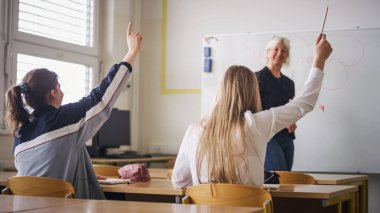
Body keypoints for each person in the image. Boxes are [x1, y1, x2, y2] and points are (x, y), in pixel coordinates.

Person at [172, 34, 332, 188]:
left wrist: (212, 188)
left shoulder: (194, 130)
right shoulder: (256, 124)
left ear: (220, 91)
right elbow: (304, 103)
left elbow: (179, 182)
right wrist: (319, 60)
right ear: (253, 92)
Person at [4, 22, 142, 199]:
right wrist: (132, 52)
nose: (62, 92)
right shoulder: (62, 120)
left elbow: (46, 172)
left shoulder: (20, 135)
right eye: (59, 88)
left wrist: (87, 173)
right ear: (53, 94)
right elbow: (101, 98)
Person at [255, 35, 296, 171]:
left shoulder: (289, 83)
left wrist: (292, 121)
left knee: (287, 179)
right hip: (268, 135)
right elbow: (255, 109)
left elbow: (290, 109)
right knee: (279, 176)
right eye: (276, 49)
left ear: (287, 56)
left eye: (283, 51)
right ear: (268, 52)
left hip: (286, 136)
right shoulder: (256, 78)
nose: (279, 53)